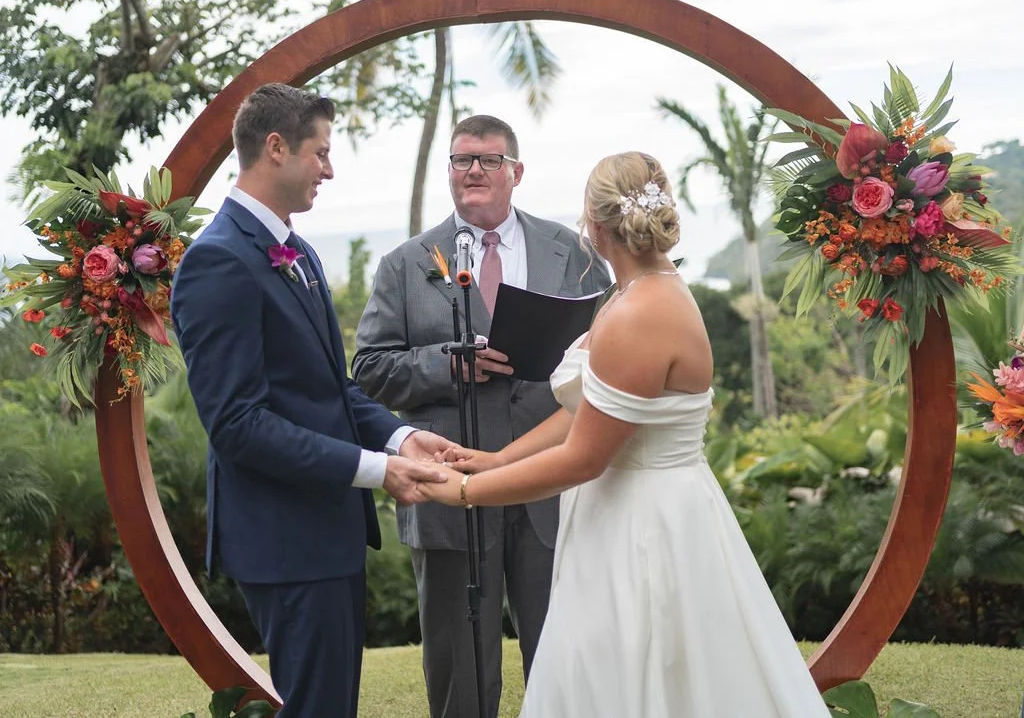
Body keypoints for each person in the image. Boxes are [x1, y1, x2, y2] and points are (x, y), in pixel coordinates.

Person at [420, 152, 832, 717]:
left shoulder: (642, 313)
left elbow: (582, 458)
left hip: (644, 523)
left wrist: (460, 494)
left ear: (593, 226)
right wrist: (492, 461)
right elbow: (592, 411)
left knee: (635, 669)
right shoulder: (636, 294)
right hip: (624, 508)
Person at [170, 82, 453, 718]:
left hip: (323, 531)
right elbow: (237, 425)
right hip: (284, 537)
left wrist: (401, 437)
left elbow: (332, 387)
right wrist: (380, 473)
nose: (330, 168)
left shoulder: (298, 252)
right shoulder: (218, 260)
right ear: (276, 148)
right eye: (321, 152)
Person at [352, 114, 611, 717]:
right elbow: (369, 367)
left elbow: (609, 345)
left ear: (515, 172)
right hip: (451, 480)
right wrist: (449, 367)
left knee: (565, 656)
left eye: (488, 160)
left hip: (554, 478)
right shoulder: (407, 263)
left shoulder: (573, 253)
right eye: (461, 159)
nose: (473, 169)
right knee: (458, 665)